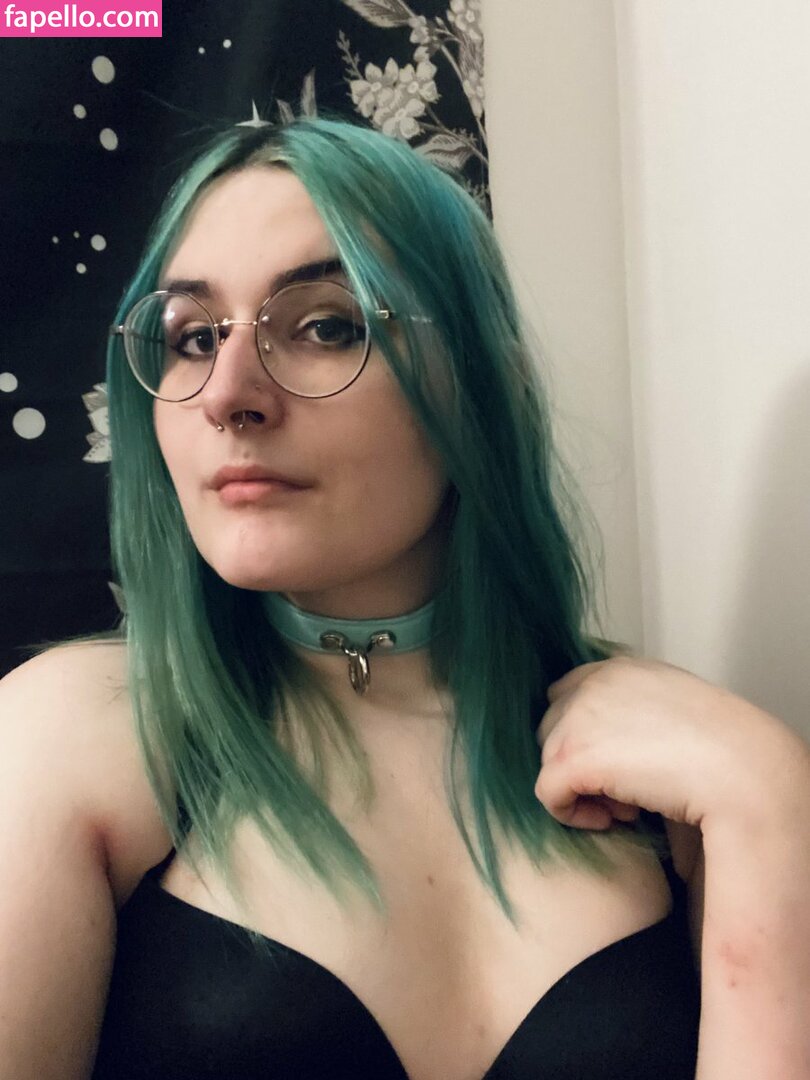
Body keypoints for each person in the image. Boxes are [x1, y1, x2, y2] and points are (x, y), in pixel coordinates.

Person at [1, 116, 808, 1080]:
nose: (227, 393)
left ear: (483, 380)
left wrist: (773, 803)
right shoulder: (73, 739)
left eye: (326, 326)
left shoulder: (667, 758)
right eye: (193, 337)